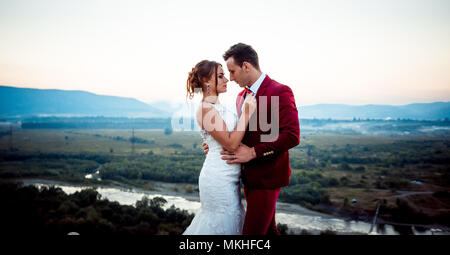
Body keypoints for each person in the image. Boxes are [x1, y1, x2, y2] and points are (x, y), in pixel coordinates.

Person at [202, 43, 300, 235]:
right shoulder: (240, 97)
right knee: (269, 231)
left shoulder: (279, 91)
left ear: (246, 66)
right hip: (247, 178)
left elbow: (292, 136)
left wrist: (254, 152)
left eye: (232, 71)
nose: (230, 78)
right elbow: (241, 132)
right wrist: (215, 143)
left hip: (268, 178)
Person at [183, 60, 257, 235]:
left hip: (229, 177)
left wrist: (211, 144)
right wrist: (247, 113)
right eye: (221, 76)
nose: (227, 80)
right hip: (218, 179)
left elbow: (225, 136)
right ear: (206, 81)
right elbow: (231, 144)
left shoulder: (219, 106)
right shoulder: (205, 109)